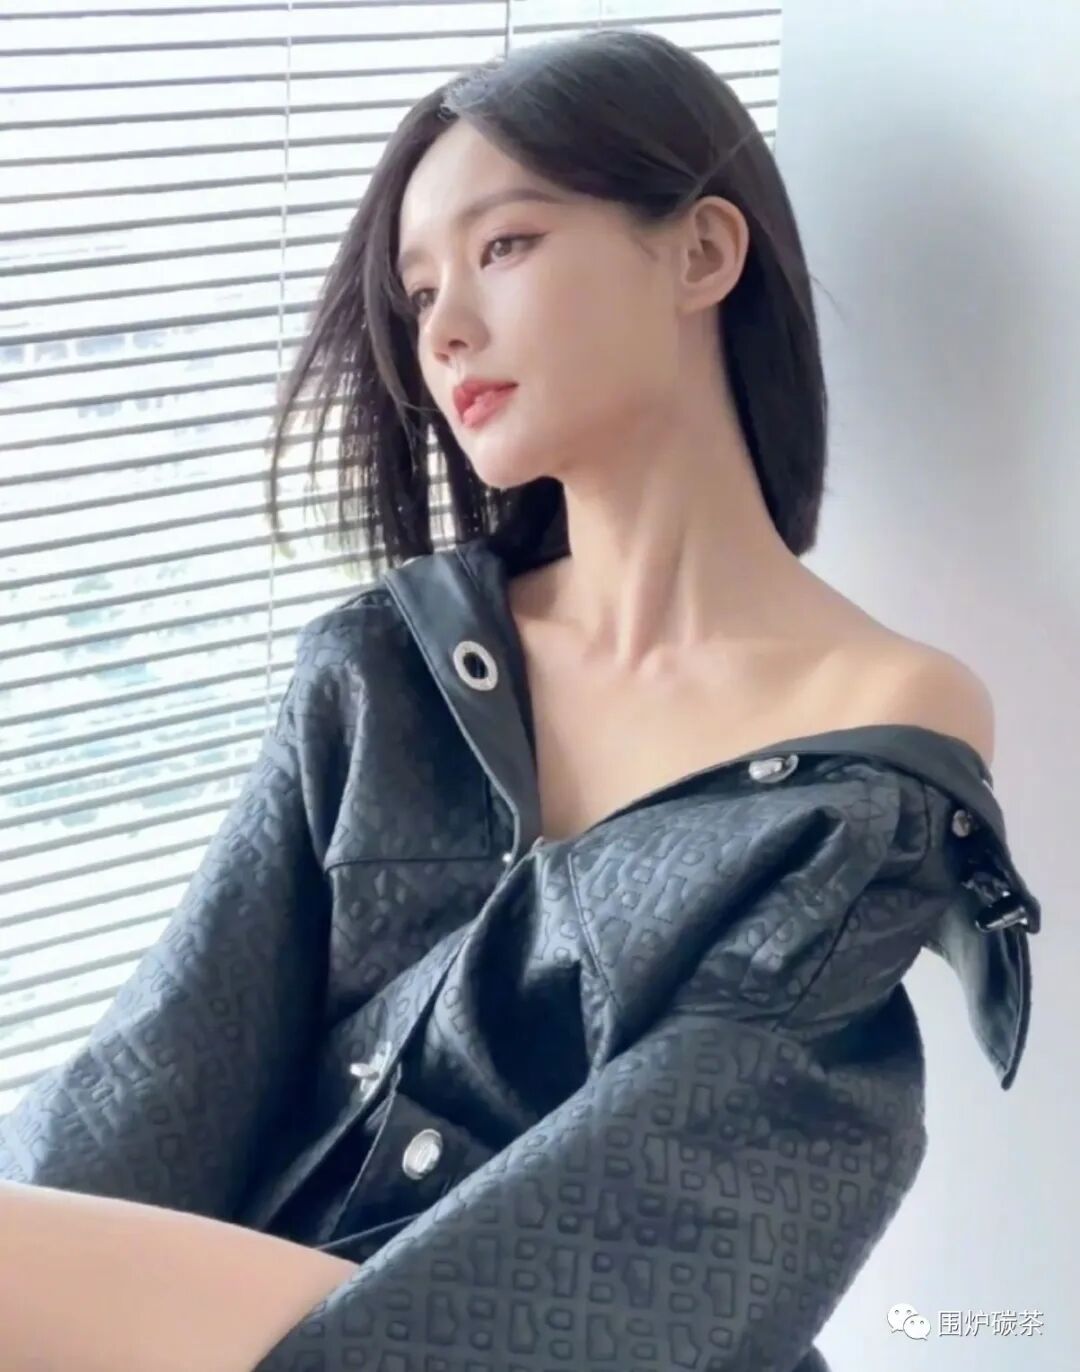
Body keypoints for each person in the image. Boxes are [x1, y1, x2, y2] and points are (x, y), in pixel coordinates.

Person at [0, 28, 1041, 1372]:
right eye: (418, 290)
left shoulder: (875, 743)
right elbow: (162, 1074)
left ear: (701, 253)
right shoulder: (383, 673)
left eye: (505, 246)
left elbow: (654, 1223)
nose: (442, 330)